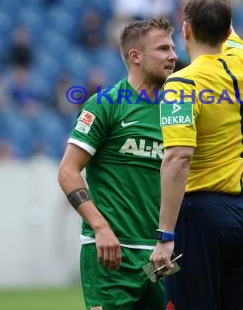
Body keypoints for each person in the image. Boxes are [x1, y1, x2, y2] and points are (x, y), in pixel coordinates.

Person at [150, 0, 243, 310]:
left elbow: (178, 157)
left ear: (185, 29)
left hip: (201, 217)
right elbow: (219, 13)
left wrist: (166, 234)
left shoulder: (181, 83)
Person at [57, 17, 178, 309]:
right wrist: (100, 227)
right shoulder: (105, 104)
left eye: (173, 47)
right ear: (135, 56)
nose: (173, 56)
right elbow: (67, 172)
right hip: (111, 254)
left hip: (161, 254)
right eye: (163, 48)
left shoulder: (178, 110)